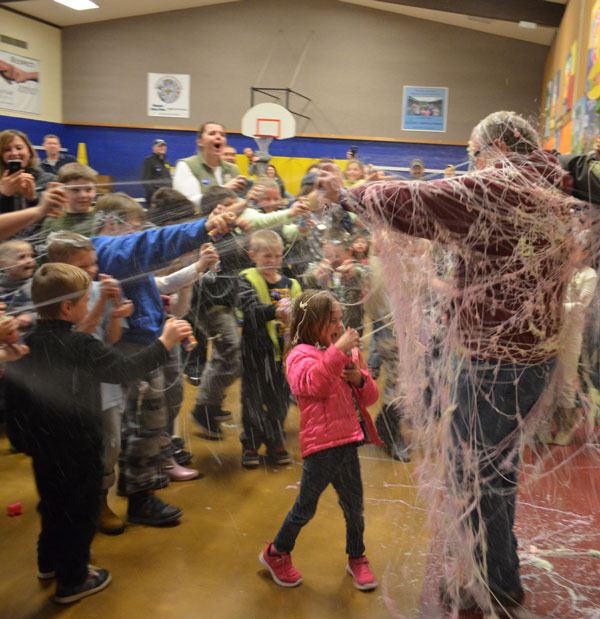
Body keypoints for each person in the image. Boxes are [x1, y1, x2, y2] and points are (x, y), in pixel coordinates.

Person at [318, 110, 579, 614]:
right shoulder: (556, 183)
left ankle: (494, 585)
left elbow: (418, 201)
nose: (472, 166)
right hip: (533, 362)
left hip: (495, 367)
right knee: (495, 475)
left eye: (474, 156)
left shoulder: (500, 188)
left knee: (478, 479)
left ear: (495, 151)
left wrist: (346, 193)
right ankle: (498, 573)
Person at [5, 263, 192, 604]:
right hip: (79, 445)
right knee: (80, 511)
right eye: (85, 300)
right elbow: (125, 369)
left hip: (45, 447)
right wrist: (165, 342)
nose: (90, 306)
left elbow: (14, 399)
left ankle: (48, 563)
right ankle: (73, 580)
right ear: (67, 308)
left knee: (53, 503)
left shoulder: (25, 344)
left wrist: (25, 441)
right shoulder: (79, 344)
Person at [259, 290, 381, 591]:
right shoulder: (298, 356)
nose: (339, 326)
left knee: (355, 507)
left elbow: (370, 396)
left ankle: (357, 557)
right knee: (306, 506)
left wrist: (359, 379)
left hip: (349, 440)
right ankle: (277, 552)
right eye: (331, 321)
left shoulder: (345, 352)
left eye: (340, 320)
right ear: (311, 322)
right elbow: (317, 385)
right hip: (322, 445)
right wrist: (338, 352)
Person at [46, 232, 133, 535]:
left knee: (112, 443)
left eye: (93, 263)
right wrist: (100, 306)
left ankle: (99, 501)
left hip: (103, 385)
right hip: (69, 390)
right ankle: (76, 507)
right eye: (83, 267)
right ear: (60, 267)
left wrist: (116, 312)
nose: (92, 271)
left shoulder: (100, 288)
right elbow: (78, 338)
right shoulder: (50, 298)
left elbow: (112, 339)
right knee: (77, 451)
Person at [238, 230, 301, 467]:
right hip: (254, 353)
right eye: (266, 256)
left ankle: (275, 440)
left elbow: (302, 311)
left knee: (279, 399)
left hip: (283, 356)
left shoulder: (291, 284)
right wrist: (274, 311)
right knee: (252, 399)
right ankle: (251, 444)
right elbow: (248, 310)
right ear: (252, 255)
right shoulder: (246, 279)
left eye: (277, 255)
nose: (273, 261)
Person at [173, 122, 247, 209]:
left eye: (222, 135)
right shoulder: (186, 165)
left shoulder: (232, 168)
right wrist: (224, 189)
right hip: (198, 220)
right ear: (200, 141)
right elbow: (188, 203)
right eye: (212, 133)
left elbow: (238, 200)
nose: (219, 137)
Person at [0, 130, 56, 223]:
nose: (14, 153)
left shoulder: (49, 180)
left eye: (19, 148)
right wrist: (5, 196)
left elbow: (55, 220)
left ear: (29, 151)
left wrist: (33, 199)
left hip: (40, 237)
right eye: (7, 150)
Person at [42, 163, 98, 237]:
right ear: (62, 190)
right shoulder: (52, 221)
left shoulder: (102, 218)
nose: (83, 195)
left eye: (88, 189)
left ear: (95, 190)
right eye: (75, 190)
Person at [140, 139, 172, 205]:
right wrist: (155, 196)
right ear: (153, 148)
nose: (162, 148)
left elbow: (169, 179)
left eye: (163, 146)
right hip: (155, 199)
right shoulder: (149, 161)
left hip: (166, 198)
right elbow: (145, 180)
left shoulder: (167, 163)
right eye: (159, 146)